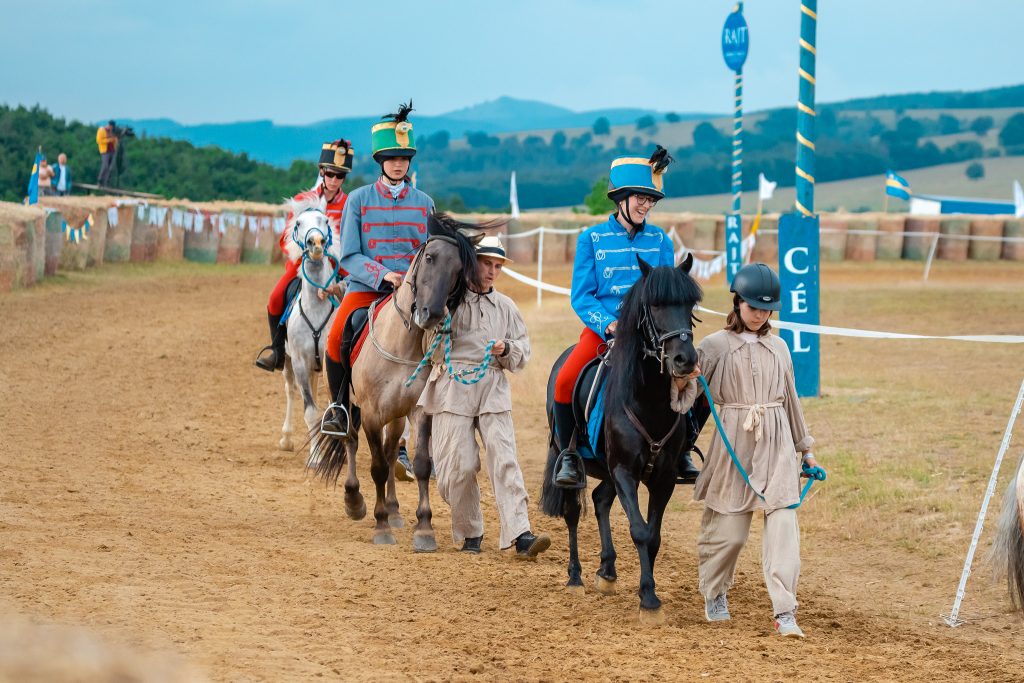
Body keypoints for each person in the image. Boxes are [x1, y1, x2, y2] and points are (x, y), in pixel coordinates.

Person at [550, 146, 700, 487]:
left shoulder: (660, 241)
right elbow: (581, 296)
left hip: (652, 334)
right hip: (605, 330)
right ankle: (569, 454)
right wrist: (609, 323)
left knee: (688, 374)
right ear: (621, 198)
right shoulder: (591, 239)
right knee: (564, 379)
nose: (646, 206)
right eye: (640, 198)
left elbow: (666, 294)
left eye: (651, 200)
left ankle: (683, 449)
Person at [692, 263, 823, 638]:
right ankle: (715, 593)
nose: (760, 315)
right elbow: (686, 400)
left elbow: (791, 402)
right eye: (754, 308)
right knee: (729, 535)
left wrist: (806, 450)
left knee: (783, 529)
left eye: (767, 310)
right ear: (738, 303)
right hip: (732, 444)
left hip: (777, 445)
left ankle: (785, 612)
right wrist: (683, 379)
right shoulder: (713, 346)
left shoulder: (779, 347)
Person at [417, 235, 550, 557]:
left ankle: (520, 534)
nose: (492, 271)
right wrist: (440, 325)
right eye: (487, 263)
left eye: (498, 266)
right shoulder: (447, 302)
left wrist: (507, 349)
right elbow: (426, 347)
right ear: (470, 264)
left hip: (492, 386)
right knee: (458, 467)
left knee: (505, 460)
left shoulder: (506, 307)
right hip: (452, 386)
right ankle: (469, 531)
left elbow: (522, 354)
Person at [321, 100, 434, 445]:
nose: (398, 165)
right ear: (380, 162)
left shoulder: (425, 202)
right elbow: (350, 256)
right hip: (368, 288)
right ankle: (339, 407)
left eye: (403, 159)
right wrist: (383, 275)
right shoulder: (358, 200)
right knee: (336, 333)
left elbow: (430, 254)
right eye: (392, 159)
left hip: (414, 294)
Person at [254, 139, 353, 372]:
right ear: (322, 171)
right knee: (275, 298)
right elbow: (285, 238)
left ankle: (352, 356)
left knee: (355, 304)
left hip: (337, 267)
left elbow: (351, 240)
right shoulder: (302, 202)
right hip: (302, 264)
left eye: (340, 176)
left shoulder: (350, 204)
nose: (334, 180)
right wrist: (304, 255)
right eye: (330, 174)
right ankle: (277, 351)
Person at [96, 121, 117, 187]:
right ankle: (100, 180)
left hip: (112, 151)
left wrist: (115, 140)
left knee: (111, 168)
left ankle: (106, 182)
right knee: (105, 166)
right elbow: (98, 140)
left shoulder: (113, 132)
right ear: (109, 125)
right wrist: (109, 140)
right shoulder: (101, 130)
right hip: (105, 151)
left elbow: (115, 140)